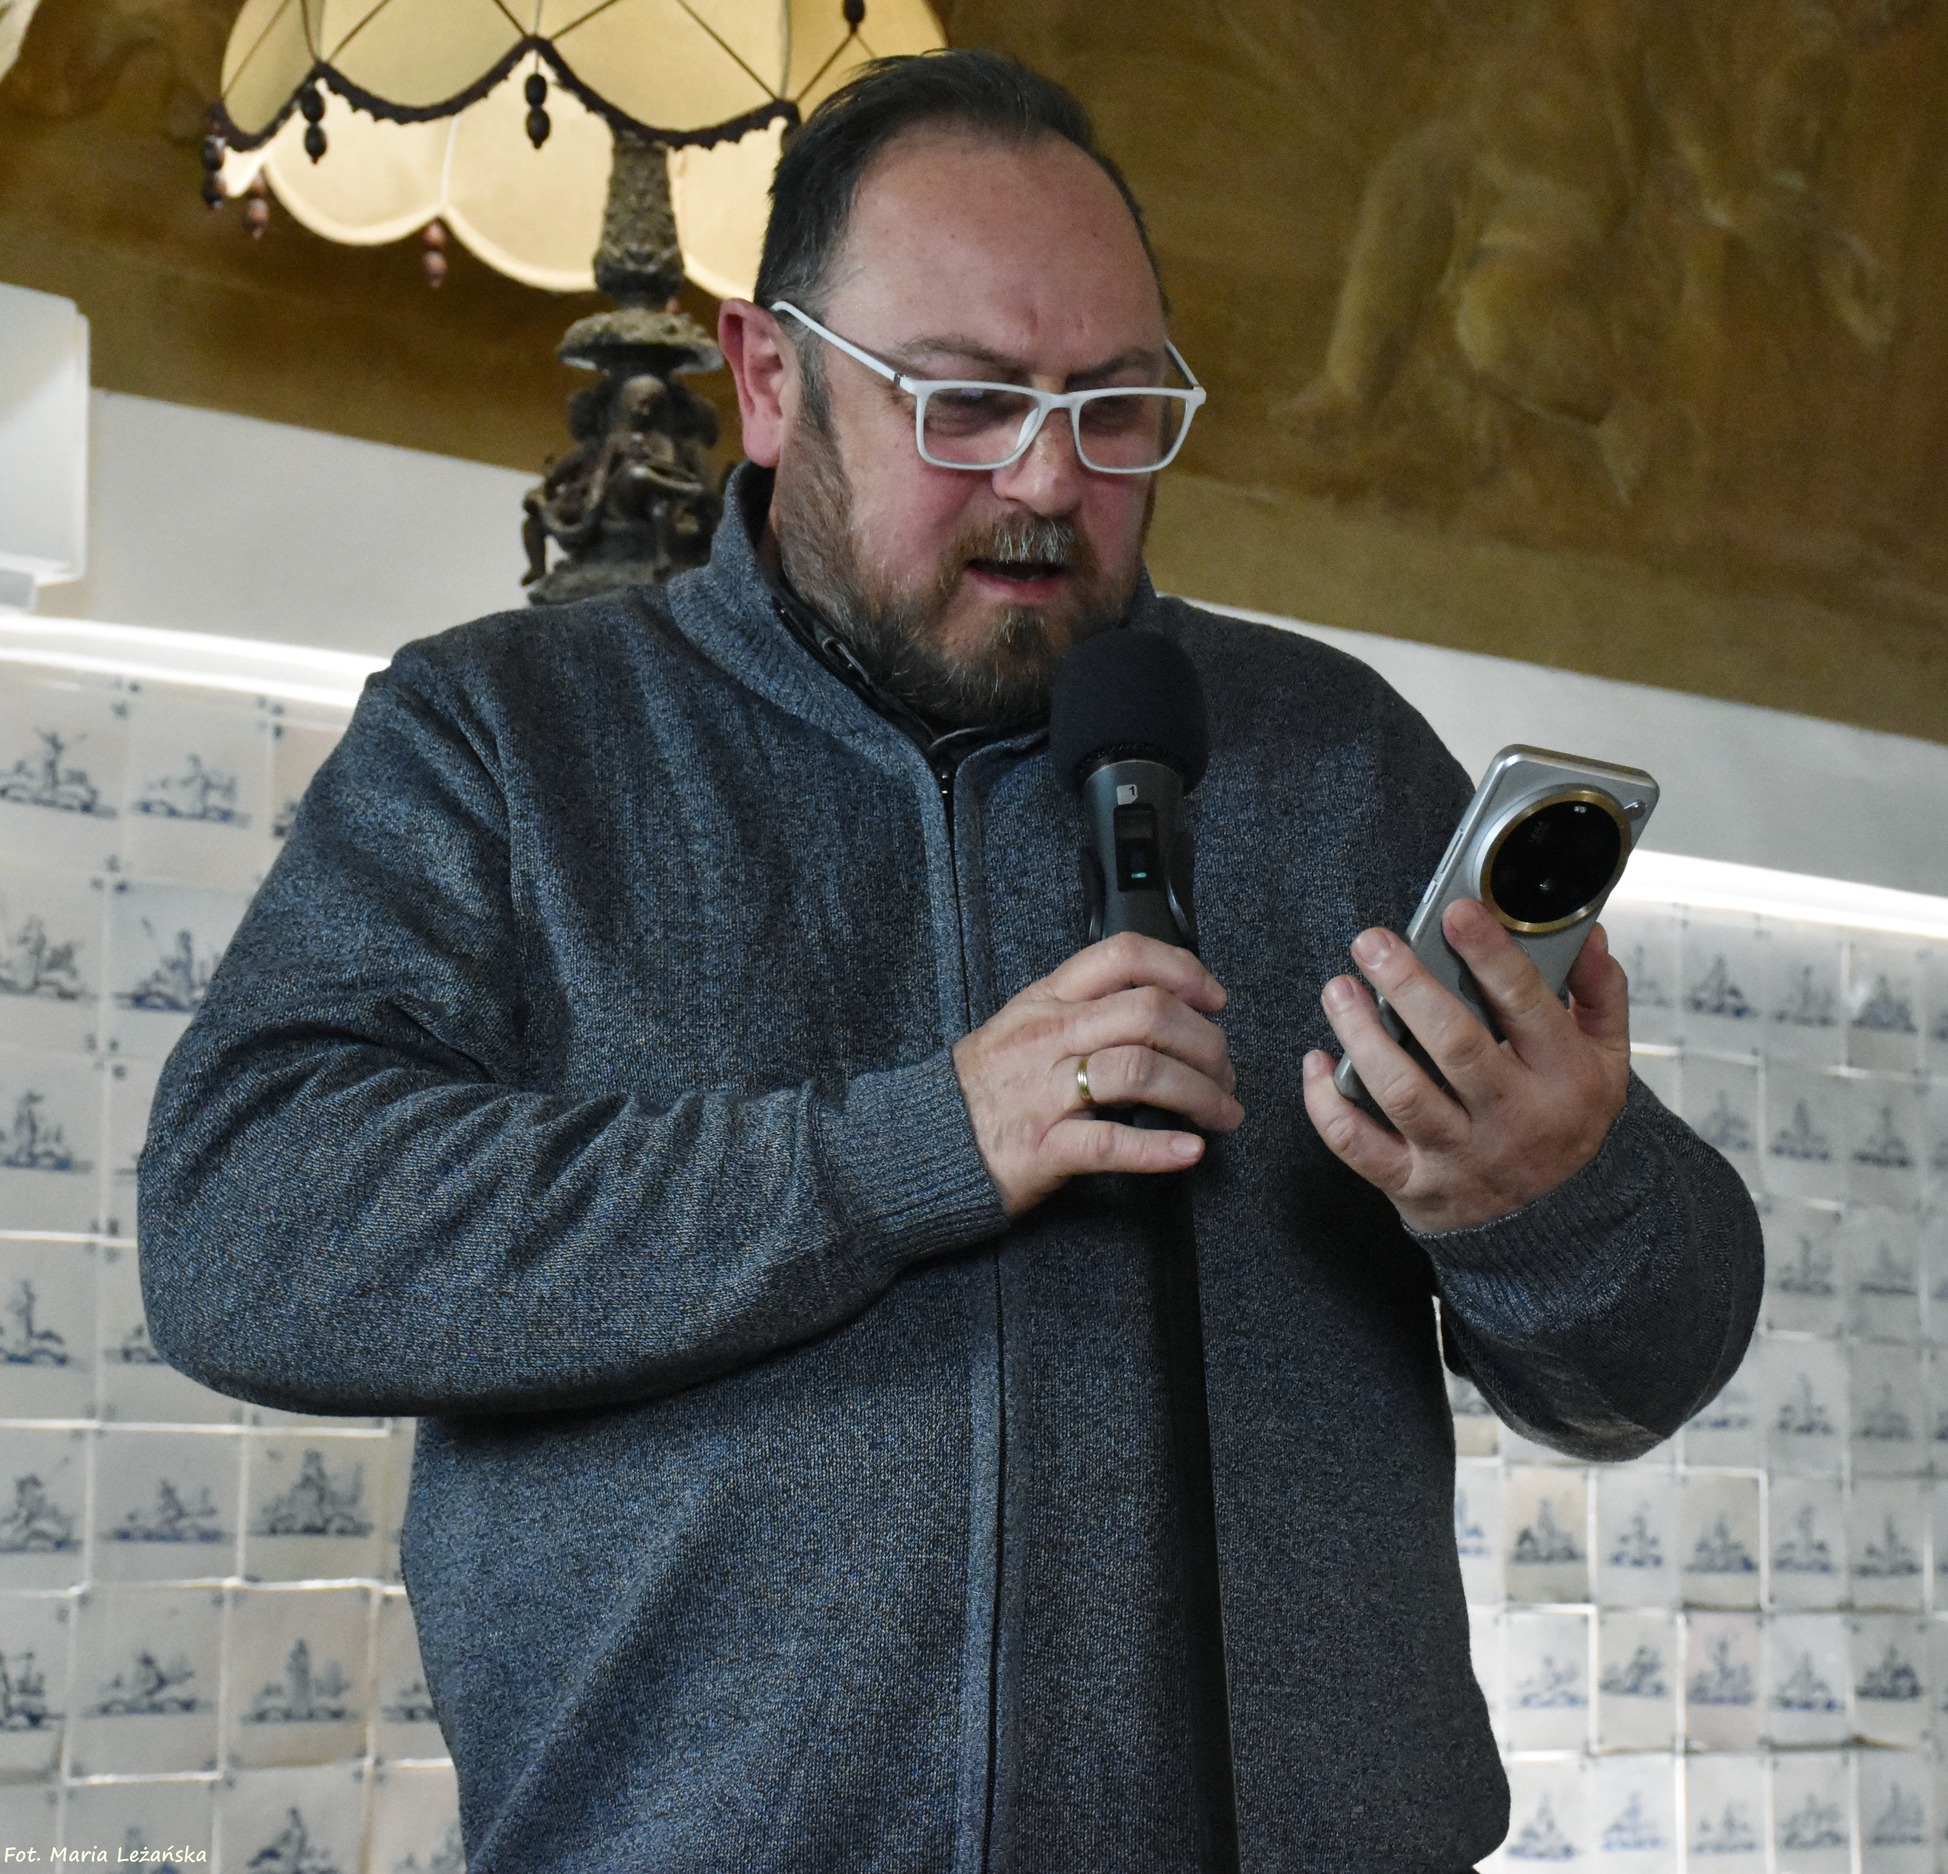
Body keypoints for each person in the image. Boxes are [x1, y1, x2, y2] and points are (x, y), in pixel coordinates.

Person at [136, 49, 1763, 1874]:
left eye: (1117, 406)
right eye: (968, 402)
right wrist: (915, 1145)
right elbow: (242, 1228)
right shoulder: (509, 742)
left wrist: (1550, 1198)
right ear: (772, 380)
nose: (1052, 480)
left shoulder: (1333, 756)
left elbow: (1655, 1364)